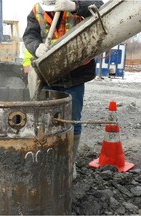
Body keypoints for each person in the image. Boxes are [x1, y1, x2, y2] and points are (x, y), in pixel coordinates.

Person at [23, 0, 103, 178]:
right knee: (46, 121)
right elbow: (29, 36)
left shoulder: (78, 2)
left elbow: (101, 7)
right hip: (50, 76)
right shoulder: (37, 10)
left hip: (75, 74)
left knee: (72, 122)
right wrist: (36, 48)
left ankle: (69, 162)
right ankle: (48, 158)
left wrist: (75, 6)